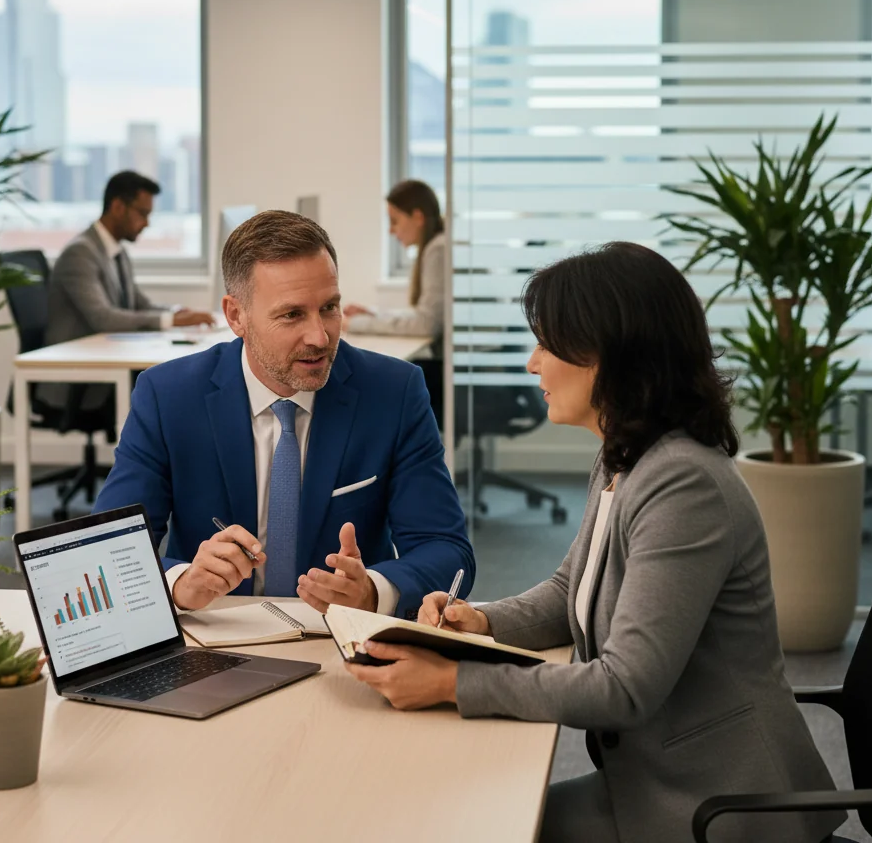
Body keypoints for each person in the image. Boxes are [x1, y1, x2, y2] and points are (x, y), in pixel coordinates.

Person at [344, 242, 843, 843]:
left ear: (610, 357)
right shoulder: (626, 457)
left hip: (720, 804)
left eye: (547, 346)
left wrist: (451, 683)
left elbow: (623, 687)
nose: (533, 364)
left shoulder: (684, 484)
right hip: (654, 778)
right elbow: (568, 589)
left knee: (480, 826)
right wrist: (479, 622)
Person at [92, 209, 474, 618]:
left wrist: (374, 592)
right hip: (216, 637)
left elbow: (447, 550)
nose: (320, 336)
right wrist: (181, 583)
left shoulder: (393, 392)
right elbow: (106, 548)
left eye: (329, 307)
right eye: (292, 314)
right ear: (236, 315)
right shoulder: (168, 396)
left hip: (339, 640)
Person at [38, 171, 214, 411]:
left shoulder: (116, 251)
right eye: (142, 213)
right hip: (80, 383)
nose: (147, 223)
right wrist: (171, 320)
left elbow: (138, 304)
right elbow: (104, 318)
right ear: (118, 206)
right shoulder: (80, 253)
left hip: (105, 369)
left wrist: (178, 313)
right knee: (174, 390)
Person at [343, 179, 445, 339]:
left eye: (395, 221)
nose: (391, 230)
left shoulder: (438, 250)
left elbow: (426, 324)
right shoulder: (435, 247)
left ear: (418, 217)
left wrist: (355, 324)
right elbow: (422, 314)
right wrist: (373, 314)